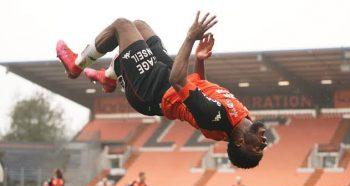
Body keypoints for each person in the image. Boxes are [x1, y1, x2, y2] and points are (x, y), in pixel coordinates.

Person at [56, 11, 267, 169]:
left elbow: (178, 79)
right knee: (139, 26)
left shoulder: (215, 117)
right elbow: (200, 87)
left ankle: (76, 66)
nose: (264, 143)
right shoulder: (241, 116)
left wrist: (190, 38)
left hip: (154, 90)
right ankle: (107, 78)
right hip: (167, 77)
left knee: (123, 26)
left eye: (258, 148)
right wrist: (200, 60)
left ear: (240, 142)